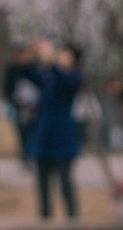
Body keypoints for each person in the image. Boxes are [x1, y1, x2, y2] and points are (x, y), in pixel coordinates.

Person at [26, 39, 84, 220]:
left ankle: (72, 219)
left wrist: (52, 60)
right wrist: (31, 56)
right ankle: (45, 220)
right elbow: (31, 76)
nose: (61, 56)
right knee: (42, 182)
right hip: (44, 135)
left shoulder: (74, 77)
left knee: (65, 181)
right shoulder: (50, 76)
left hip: (63, 136)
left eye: (66, 54)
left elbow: (66, 81)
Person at [2, 41, 40, 167]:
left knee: (32, 132)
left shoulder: (34, 69)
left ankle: (31, 156)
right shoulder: (12, 69)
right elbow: (7, 86)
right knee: (22, 133)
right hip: (19, 106)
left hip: (34, 106)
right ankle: (25, 158)